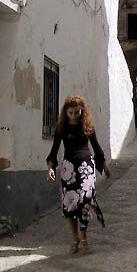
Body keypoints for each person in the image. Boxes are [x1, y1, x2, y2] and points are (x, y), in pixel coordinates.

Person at [46, 95, 110, 254]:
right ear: (66, 112)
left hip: (86, 168)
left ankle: (83, 235)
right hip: (69, 169)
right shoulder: (61, 128)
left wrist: (105, 166)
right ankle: (74, 237)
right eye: (71, 113)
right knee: (70, 204)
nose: (74, 116)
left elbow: (97, 147)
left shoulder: (87, 126)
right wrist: (50, 167)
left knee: (85, 202)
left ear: (82, 111)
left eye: (77, 112)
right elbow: (54, 150)